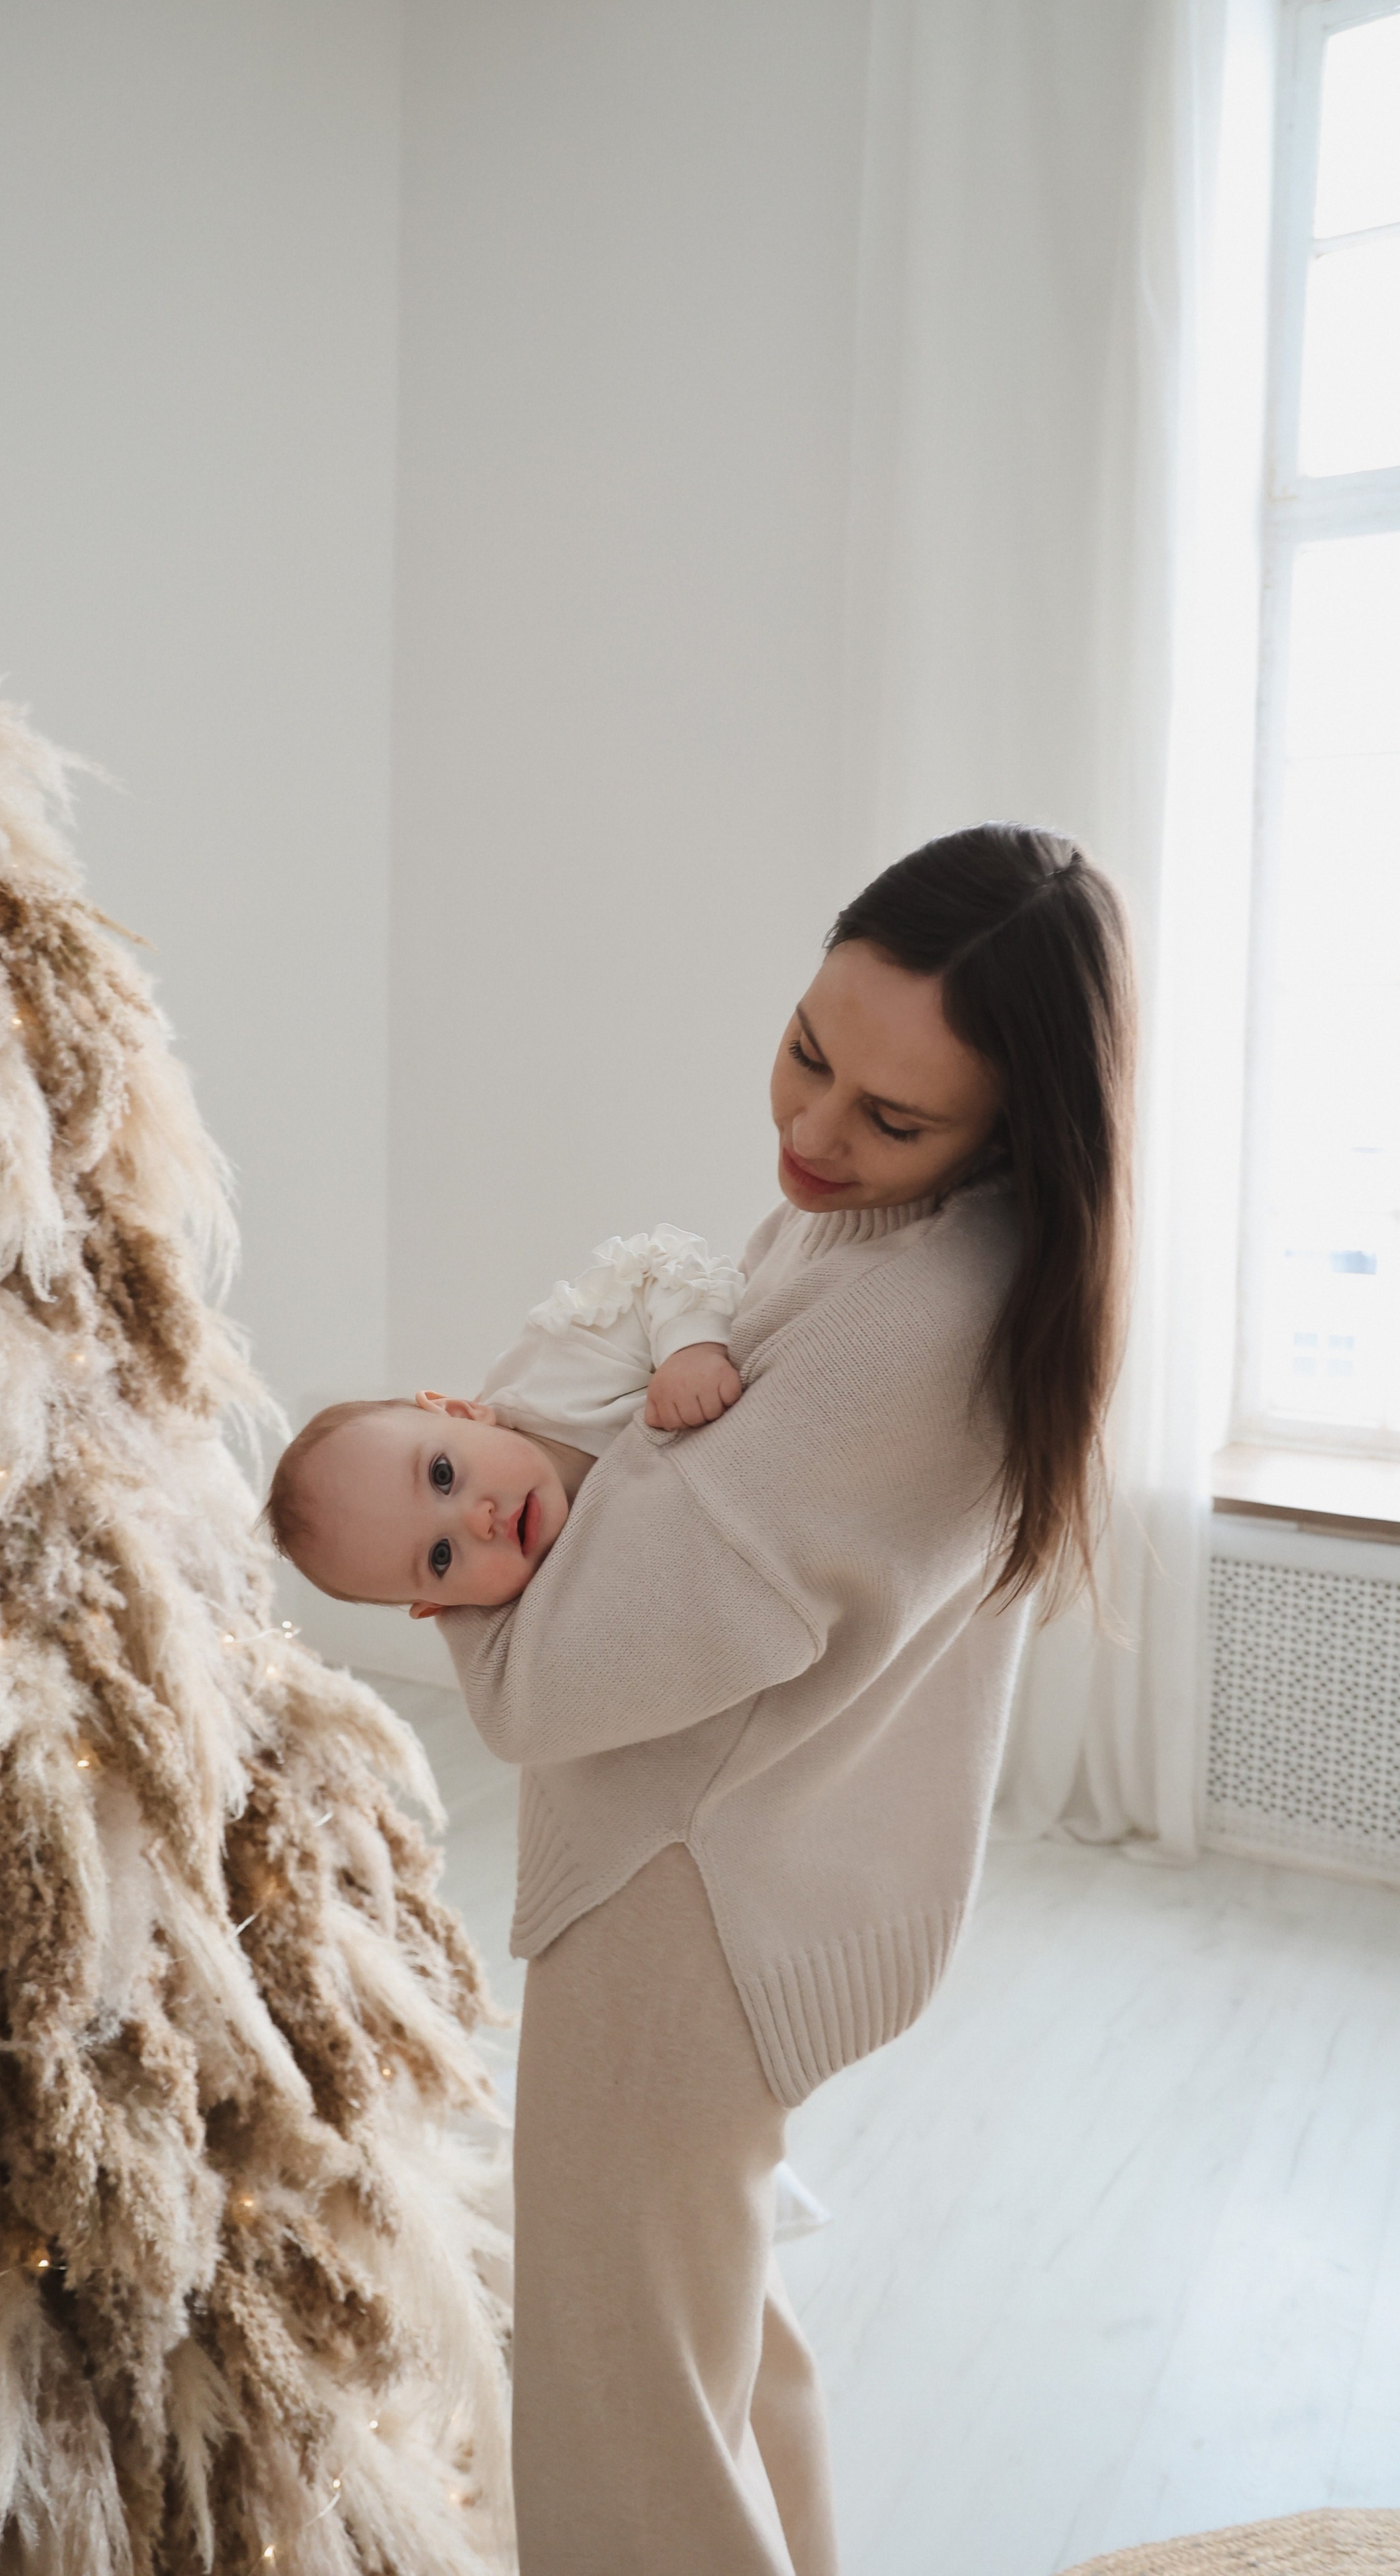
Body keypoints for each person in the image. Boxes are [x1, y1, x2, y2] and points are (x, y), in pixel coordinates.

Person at [429, 823, 1138, 2576]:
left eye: (890, 1117)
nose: (812, 1134)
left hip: (688, 1897)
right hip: (756, 1874)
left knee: (626, 2433)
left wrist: (448, 1495)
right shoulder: (932, 1242)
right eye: (806, 1051)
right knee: (711, 2351)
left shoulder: (911, 1323)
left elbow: (552, 1677)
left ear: (1013, 1128)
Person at [263, 1223, 751, 1613]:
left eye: (442, 1475)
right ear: (442, 1606)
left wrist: (690, 1347)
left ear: (463, 1413)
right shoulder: (558, 1611)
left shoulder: (562, 1365)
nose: (480, 1520)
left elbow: (657, 1263)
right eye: (440, 1556)